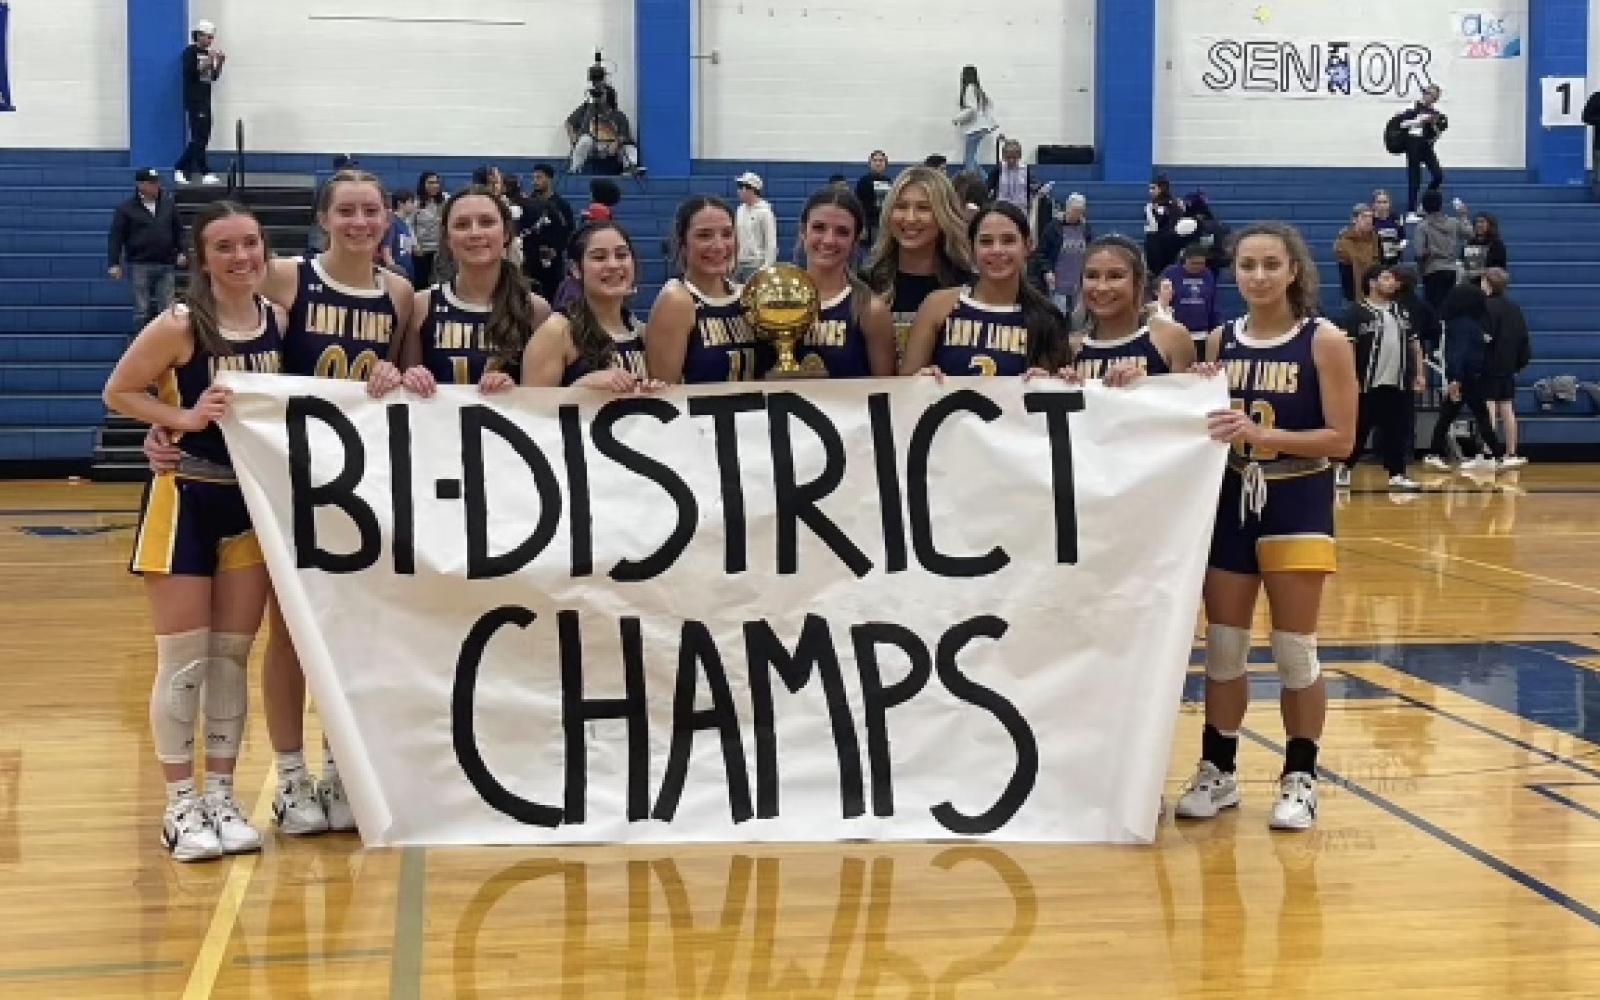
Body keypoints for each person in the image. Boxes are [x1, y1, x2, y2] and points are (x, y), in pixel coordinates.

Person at [104, 201, 285, 861]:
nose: (241, 257)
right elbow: (120, 392)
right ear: (200, 258)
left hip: (250, 509)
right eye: (225, 247)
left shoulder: (277, 320)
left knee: (232, 660)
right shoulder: (180, 324)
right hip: (184, 501)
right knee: (185, 663)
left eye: (250, 244)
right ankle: (179, 803)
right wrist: (179, 422)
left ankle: (222, 795)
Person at [1175, 222, 1357, 832]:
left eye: (1269, 265)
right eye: (1246, 265)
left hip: (1298, 499)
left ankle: (1300, 777)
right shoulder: (1220, 340)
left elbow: (1343, 439)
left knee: (1293, 651)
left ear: (1293, 271)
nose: (1257, 276)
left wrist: (1263, 436)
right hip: (1230, 501)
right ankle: (1217, 769)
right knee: (1223, 649)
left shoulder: (1324, 340)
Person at [379, 186, 551, 396]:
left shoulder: (536, 309)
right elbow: (404, 392)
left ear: (506, 233)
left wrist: (516, 391)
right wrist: (411, 378)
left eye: (487, 222)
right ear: (447, 238)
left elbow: (543, 403)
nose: (475, 233)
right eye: (461, 225)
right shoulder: (422, 304)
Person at [900, 201, 1068, 377]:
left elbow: (1062, 395)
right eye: (986, 242)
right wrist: (921, 379)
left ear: (1027, 246)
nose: (996, 250)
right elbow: (903, 387)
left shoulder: (1047, 318)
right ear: (972, 249)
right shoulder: (937, 306)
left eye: (1008, 240)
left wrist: (1050, 381)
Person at [645, 196, 764, 383]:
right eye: (704, 235)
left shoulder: (749, 295)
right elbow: (663, 392)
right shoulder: (675, 300)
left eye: (727, 234)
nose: (718, 246)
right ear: (683, 243)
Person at [522, 222, 653, 388]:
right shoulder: (556, 333)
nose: (613, 265)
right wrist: (583, 386)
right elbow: (531, 409)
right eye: (599, 257)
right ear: (575, 269)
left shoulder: (643, 333)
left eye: (621, 255)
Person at [863, 166, 974, 356]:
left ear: (944, 216)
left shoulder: (967, 288)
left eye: (923, 208)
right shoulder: (865, 286)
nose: (910, 218)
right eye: (901, 207)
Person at [1335, 264, 1426, 491]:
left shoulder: (1402, 311)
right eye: (1386, 278)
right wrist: (1350, 377)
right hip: (1367, 383)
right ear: (1372, 283)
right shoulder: (1356, 312)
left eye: (1393, 279)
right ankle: (1344, 467)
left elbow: (1415, 345)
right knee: (1359, 429)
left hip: (1399, 381)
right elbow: (1348, 348)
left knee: (1398, 430)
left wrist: (1420, 374)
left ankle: (1397, 474)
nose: (1392, 282)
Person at [793, 188, 897, 377]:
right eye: (819, 228)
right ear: (803, 232)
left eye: (842, 232)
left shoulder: (870, 310)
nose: (829, 240)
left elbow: (886, 390)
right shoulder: (774, 301)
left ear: (855, 241)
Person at [1071, 234, 1193, 381]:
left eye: (1115, 276)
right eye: (1091, 276)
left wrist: (1144, 386)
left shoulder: (1171, 338)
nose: (1101, 287)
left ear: (1138, 282)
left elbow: (1189, 401)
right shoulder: (1071, 348)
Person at [1424, 282, 1505, 472]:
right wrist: (1455, 379)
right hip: (1466, 377)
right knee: (1480, 416)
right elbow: (1458, 353)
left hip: (1465, 376)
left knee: (1449, 416)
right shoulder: (1464, 324)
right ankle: (1498, 456)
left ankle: (1434, 453)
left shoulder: (1459, 322)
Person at [109, 168, 187, 335]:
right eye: (152, 183)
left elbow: (178, 230)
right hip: (140, 263)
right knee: (141, 309)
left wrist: (182, 251)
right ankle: (142, 342)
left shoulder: (168, 204)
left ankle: (167, 341)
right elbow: (116, 237)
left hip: (165, 262)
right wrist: (114, 263)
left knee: (167, 307)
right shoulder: (126, 209)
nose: (156, 186)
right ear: (141, 185)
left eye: (157, 182)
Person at [1481, 267, 1531, 468]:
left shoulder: (1484, 307)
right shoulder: (1515, 308)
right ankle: (1511, 452)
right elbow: (1523, 339)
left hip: (1489, 364)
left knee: (1490, 407)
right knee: (1507, 408)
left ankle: (1488, 452)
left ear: (1488, 284)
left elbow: (1483, 337)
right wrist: (1519, 363)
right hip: (1508, 365)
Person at [175, 19, 225, 185]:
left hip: (205, 99)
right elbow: (191, 74)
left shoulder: (208, 54)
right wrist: (209, 62)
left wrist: (219, 64)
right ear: (199, 36)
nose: (210, 41)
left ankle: (182, 167)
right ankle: (200, 170)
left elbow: (212, 77)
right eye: (208, 37)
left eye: (212, 38)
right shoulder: (190, 53)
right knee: (199, 137)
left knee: (202, 136)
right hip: (195, 100)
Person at [523, 164, 575, 299]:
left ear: (549, 179)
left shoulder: (561, 205)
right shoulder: (527, 203)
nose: (535, 181)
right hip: (530, 263)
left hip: (553, 264)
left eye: (539, 177)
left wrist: (556, 250)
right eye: (533, 178)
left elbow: (569, 231)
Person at [1397, 84, 1448, 221]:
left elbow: (1435, 133)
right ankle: (1411, 211)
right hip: (1413, 141)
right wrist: (1420, 120)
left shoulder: (1435, 113)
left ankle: (1423, 206)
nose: (1429, 96)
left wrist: (1435, 128)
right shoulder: (1412, 105)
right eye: (1428, 93)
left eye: (1433, 95)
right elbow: (1401, 123)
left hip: (1425, 145)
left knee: (1438, 175)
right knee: (1415, 178)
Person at [566, 86, 641, 176]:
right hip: (593, 144)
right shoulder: (587, 109)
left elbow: (624, 135)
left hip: (611, 145)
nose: (597, 97)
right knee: (585, 140)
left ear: (609, 97)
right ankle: (575, 168)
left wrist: (616, 143)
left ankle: (630, 168)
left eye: (601, 94)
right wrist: (573, 140)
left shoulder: (619, 115)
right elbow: (569, 123)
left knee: (629, 147)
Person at [1415, 191, 1471, 311]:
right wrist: (1463, 216)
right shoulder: (1453, 223)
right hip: (1451, 269)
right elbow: (1470, 234)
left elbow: (1419, 252)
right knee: (1449, 305)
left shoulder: (1422, 226)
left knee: (1433, 307)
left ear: (1424, 206)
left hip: (1432, 269)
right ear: (1441, 205)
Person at [1160, 242, 1221, 348]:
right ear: (1185, 260)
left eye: (1201, 263)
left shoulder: (1208, 274)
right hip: (1176, 331)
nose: (1197, 266)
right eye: (1194, 263)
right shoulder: (1171, 273)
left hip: (1202, 333)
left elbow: (1212, 302)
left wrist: (1215, 327)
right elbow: (1162, 300)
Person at [1045, 194, 1091, 319]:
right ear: (1067, 208)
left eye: (1080, 211)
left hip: (1077, 277)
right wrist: (1048, 271)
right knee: (1059, 314)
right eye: (1075, 210)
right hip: (1058, 278)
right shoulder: (1053, 227)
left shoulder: (1085, 228)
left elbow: (1089, 249)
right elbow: (1042, 253)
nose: (1077, 214)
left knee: (1075, 315)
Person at [733, 173, 778, 283]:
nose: (739, 191)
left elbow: (771, 242)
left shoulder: (765, 213)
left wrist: (766, 267)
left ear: (750, 190)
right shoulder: (740, 210)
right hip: (739, 263)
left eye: (741, 187)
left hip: (756, 265)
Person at [954, 65, 998, 173]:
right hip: (981, 129)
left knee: (969, 161)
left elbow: (972, 110)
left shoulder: (969, 89)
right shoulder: (979, 91)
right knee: (972, 160)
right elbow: (988, 108)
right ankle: (987, 182)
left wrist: (957, 119)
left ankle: (972, 184)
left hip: (974, 130)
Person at [1334, 204, 1379, 304]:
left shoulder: (1376, 238)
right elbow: (1349, 260)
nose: (1368, 220)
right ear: (1354, 219)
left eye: (1370, 217)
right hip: (1352, 289)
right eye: (1364, 217)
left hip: (1373, 289)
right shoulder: (1344, 239)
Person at [1143, 175, 1183, 279]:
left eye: (1153, 188)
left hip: (1162, 246)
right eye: (1150, 188)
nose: (1150, 191)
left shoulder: (1169, 205)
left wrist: (1149, 211)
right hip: (1163, 245)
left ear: (1161, 188)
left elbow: (1154, 227)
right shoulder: (1173, 203)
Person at [412, 172, 447, 288]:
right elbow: (409, 226)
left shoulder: (444, 201)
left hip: (440, 250)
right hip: (422, 250)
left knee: (439, 283)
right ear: (423, 184)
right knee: (422, 283)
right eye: (431, 182)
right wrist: (415, 245)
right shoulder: (415, 203)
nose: (434, 185)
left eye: (437, 182)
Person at [855, 150, 893, 249]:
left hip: (885, 224)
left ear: (886, 164)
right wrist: (862, 226)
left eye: (881, 160)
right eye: (875, 160)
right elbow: (858, 204)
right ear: (870, 163)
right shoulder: (863, 181)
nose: (878, 163)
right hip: (870, 225)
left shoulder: (889, 181)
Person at [986, 138, 1035, 212]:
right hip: (1001, 209)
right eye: (1008, 157)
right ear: (1003, 156)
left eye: (1014, 157)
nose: (1011, 160)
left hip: (1021, 209)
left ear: (1019, 156)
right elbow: (987, 188)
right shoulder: (998, 169)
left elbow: (1032, 188)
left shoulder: (1026, 169)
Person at [1461, 213, 1508, 286]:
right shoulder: (1469, 243)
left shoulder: (1497, 244)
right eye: (1477, 222)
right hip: (1471, 283)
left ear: (1490, 225)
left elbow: (1500, 267)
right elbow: (1463, 261)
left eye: (1482, 222)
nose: (1479, 225)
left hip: (1491, 283)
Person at [381, 190, 417, 281]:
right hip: (397, 275)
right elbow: (386, 251)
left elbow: (411, 250)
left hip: (408, 271)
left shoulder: (405, 224)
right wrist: (395, 273)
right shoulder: (392, 222)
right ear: (400, 203)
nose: (414, 205)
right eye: (411, 202)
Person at [1371, 190, 1407, 267]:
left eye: (1385, 202)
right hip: (1375, 261)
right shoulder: (1370, 220)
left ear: (1389, 204)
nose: (1382, 205)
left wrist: (1397, 248)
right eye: (1379, 202)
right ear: (1373, 205)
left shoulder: (1396, 219)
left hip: (1393, 260)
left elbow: (1403, 239)